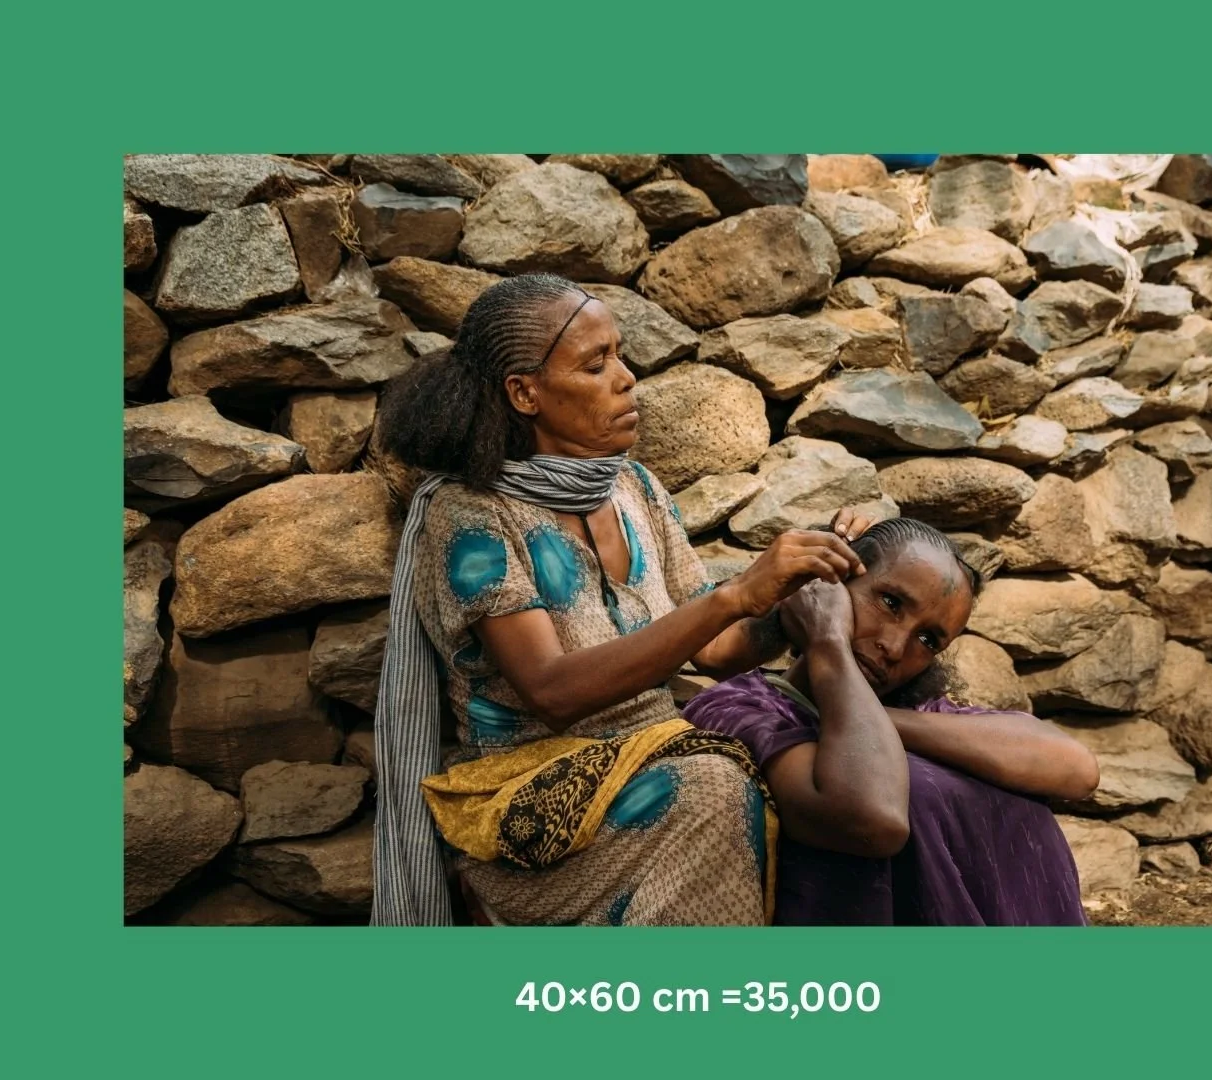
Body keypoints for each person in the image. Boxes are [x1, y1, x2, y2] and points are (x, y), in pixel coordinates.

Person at [370, 272, 874, 927]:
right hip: (528, 799)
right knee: (713, 790)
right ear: (525, 393)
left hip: (658, 758)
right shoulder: (473, 515)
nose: (627, 377)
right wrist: (737, 594)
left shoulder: (634, 488)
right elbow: (552, 693)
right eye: (596, 363)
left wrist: (793, 594)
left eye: (621, 354)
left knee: (830, 785)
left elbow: (720, 648)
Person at [682, 518, 1101, 925]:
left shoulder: (920, 715)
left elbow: (1076, 769)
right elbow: (871, 818)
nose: (895, 646)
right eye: (890, 602)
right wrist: (828, 639)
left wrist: (872, 715)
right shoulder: (740, 707)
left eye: (928, 640)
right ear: (831, 584)